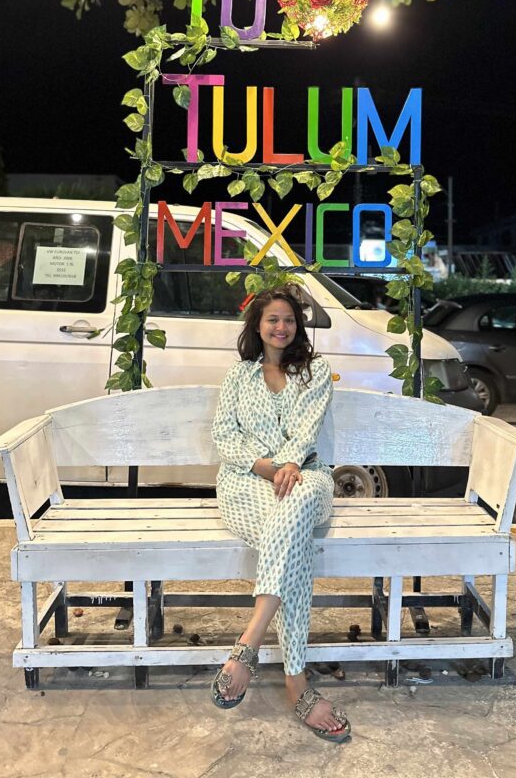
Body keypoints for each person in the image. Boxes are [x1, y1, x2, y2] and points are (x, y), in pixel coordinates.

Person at [209, 287, 351, 743]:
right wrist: (268, 468)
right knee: (292, 545)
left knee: (295, 506)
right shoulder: (239, 376)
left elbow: (306, 432)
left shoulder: (316, 372)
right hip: (245, 484)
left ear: (298, 326)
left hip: (307, 478)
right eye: (272, 319)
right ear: (257, 325)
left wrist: (289, 465)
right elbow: (224, 436)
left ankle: (249, 641)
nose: (281, 327)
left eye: (289, 319)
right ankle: (296, 681)